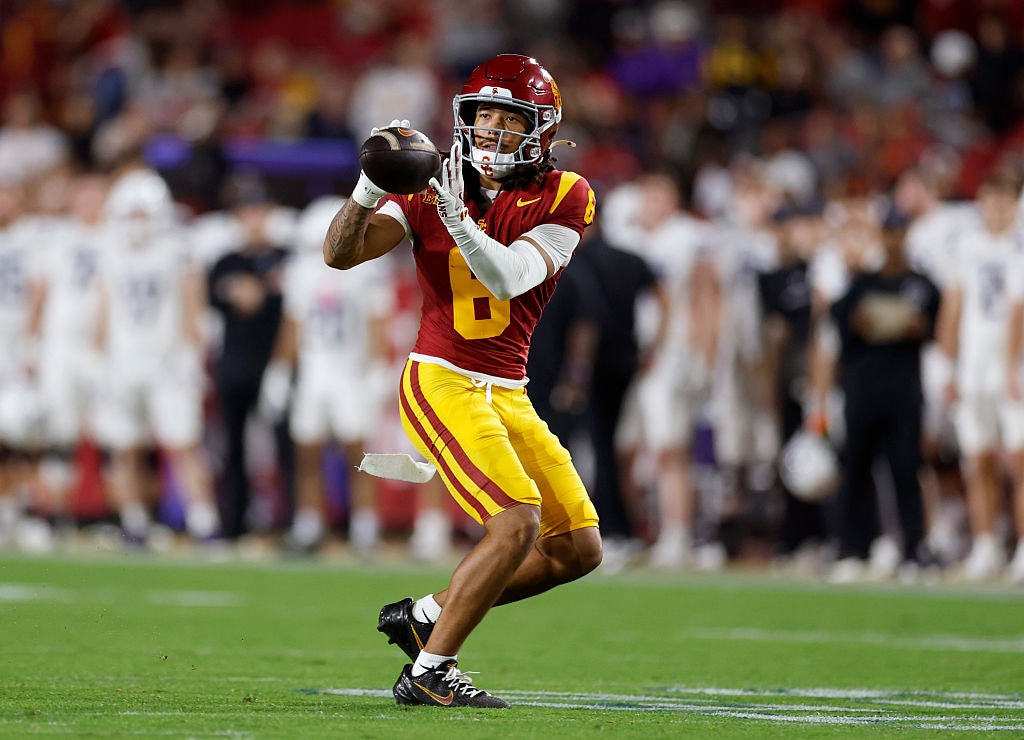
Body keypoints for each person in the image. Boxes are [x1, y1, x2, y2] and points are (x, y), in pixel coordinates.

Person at [323, 54, 602, 708]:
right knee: (516, 524)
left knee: (578, 549)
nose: (492, 135)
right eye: (483, 120)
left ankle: (425, 616)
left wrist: (457, 219)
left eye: (511, 123)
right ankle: (430, 670)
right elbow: (339, 255)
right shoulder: (429, 186)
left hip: (507, 387)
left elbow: (508, 277)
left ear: (542, 129)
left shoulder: (567, 193)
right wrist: (370, 187)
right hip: (442, 378)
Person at [830, 205, 941, 579]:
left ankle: (913, 547)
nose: (893, 239)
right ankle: (852, 547)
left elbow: (936, 329)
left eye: (899, 232)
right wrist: (859, 322)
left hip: (903, 390)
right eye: (888, 232)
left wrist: (917, 328)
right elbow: (839, 329)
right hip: (863, 388)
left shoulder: (923, 284)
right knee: (857, 469)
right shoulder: (861, 284)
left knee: (906, 469)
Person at [937, 171, 1024, 581]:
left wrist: (1012, 366)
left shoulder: (1020, 244)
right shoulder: (967, 246)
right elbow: (953, 306)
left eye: (1005, 199)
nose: (997, 208)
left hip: (1013, 367)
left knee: (1020, 461)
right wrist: (945, 364)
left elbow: (1018, 310)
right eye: (991, 199)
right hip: (973, 367)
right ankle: (986, 543)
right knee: (979, 459)